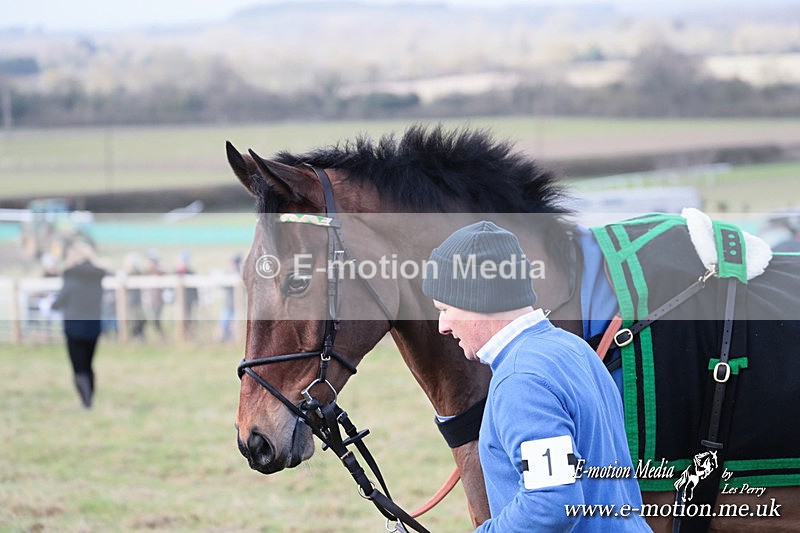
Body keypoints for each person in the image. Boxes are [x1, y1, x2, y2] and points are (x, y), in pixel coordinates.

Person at [422, 221, 650, 532]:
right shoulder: (573, 349)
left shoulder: (522, 379)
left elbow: (550, 503)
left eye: (446, 308)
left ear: (477, 299)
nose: (443, 326)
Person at [51, 242, 107, 409]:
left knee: (79, 366)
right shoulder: (97, 276)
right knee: (89, 364)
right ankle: (89, 401)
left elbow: (60, 300)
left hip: (74, 327)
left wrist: (52, 305)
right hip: (93, 326)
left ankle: (86, 403)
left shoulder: (71, 277)